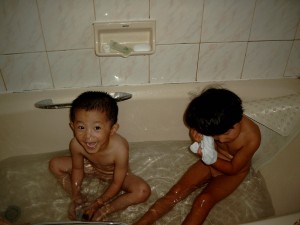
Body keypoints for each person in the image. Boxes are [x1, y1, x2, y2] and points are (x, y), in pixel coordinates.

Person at [133, 87, 261, 225]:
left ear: (238, 119)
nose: (221, 140)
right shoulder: (213, 122)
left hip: (232, 173)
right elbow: (204, 138)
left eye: (226, 134)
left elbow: (233, 169)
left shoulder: (252, 138)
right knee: (176, 192)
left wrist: (209, 158)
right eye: (214, 135)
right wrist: (198, 140)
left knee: (203, 201)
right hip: (210, 162)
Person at [49, 91, 151, 221]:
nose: (88, 136)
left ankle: (106, 211)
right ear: (72, 126)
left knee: (142, 191)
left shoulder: (119, 149)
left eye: (97, 128)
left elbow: (116, 183)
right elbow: (78, 169)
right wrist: (75, 195)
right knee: (54, 164)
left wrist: (99, 204)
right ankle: (79, 200)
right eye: (81, 127)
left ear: (112, 130)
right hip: (91, 168)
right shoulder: (76, 144)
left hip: (115, 175)